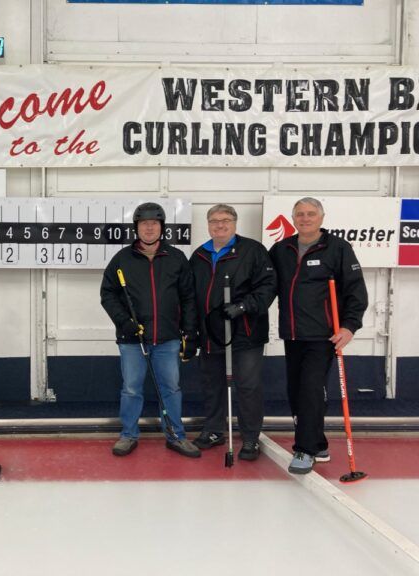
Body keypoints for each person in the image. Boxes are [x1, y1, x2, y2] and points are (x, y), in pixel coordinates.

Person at [269, 197, 368, 474]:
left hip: (323, 335)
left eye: (311, 214)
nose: (305, 218)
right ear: (293, 218)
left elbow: (356, 291)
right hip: (292, 333)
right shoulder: (282, 248)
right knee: (296, 391)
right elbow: (267, 285)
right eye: (300, 214)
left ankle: (305, 450)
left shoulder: (337, 248)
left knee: (310, 390)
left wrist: (349, 326)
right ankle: (318, 442)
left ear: (321, 218)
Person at [100, 202, 201, 458]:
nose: (149, 228)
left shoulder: (176, 258)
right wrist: (125, 322)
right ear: (136, 228)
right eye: (144, 224)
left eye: (154, 223)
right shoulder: (122, 259)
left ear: (162, 228)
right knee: (131, 388)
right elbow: (108, 295)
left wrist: (190, 333)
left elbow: (189, 298)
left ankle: (176, 436)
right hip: (132, 339)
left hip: (167, 339)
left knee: (171, 388)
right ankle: (128, 434)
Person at [189, 204, 276, 461]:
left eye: (225, 220)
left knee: (248, 386)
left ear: (235, 223)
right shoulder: (199, 256)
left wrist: (242, 306)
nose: (220, 225)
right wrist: (192, 330)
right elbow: (190, 297)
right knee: (212, 385)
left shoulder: (253, 251)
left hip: (245, 333)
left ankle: (250, 437)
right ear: (208, 225)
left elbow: (268, 286)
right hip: (211, 333)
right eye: (214, 221)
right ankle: (214, 430)